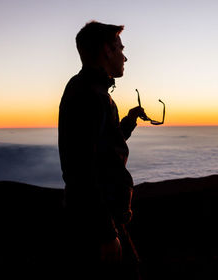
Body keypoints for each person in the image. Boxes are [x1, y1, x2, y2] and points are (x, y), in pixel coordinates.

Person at [58, 21, 145, 279]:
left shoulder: (89, 90)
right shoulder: (90, 95)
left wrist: (129, 121)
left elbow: (103, 148)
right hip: (97, 225)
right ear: (106, 51)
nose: (124, 56)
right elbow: (81, 169)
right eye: (120, 48)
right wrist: (106, 232)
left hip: (98, 220)